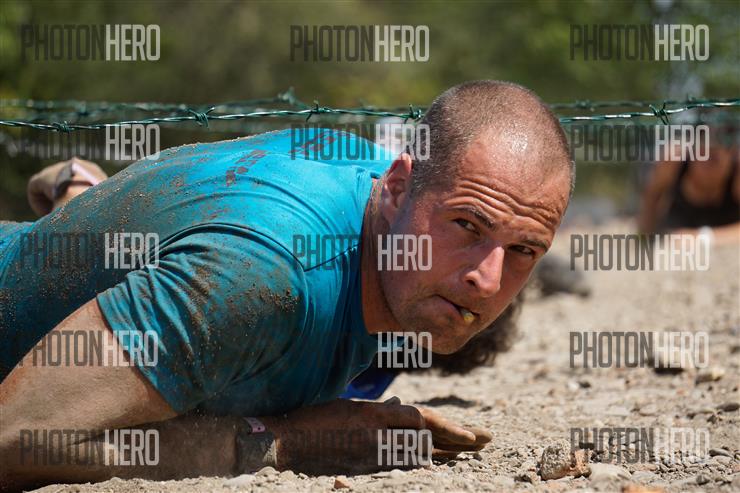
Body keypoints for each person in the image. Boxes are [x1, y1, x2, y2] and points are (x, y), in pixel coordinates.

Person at [0, 80, 574, 489]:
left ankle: (80, 198)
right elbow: (16, 441)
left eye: (524, 250)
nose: (487, 281)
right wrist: (285, 442)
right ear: (398, 188)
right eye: (467, 226)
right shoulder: (259, 279)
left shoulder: (385, 189)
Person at [638, 123, 740, 243]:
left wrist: (701, 236)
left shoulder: (737, 172)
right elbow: (652, 198)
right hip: (673, 237)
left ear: (732, 153)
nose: (706, 163)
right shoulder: (673, 161)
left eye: (713, 159)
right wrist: (645, 236)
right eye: (702, 153)